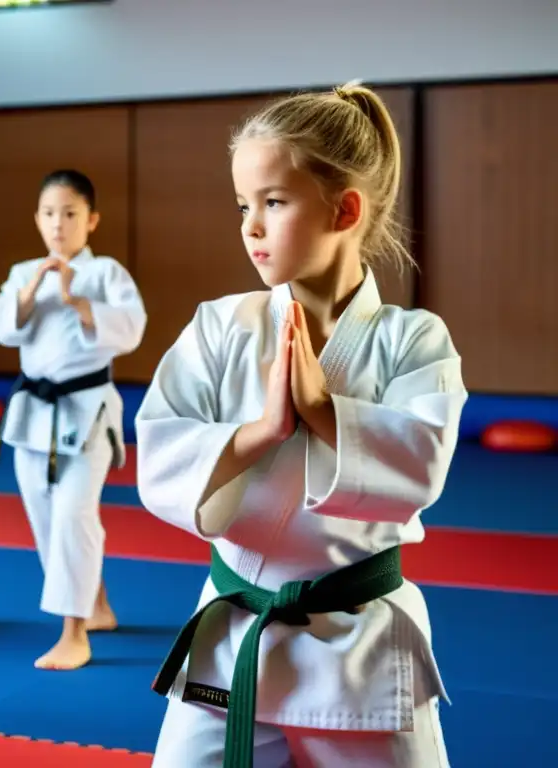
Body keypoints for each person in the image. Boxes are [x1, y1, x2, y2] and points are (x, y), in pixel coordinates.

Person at [135, 82, 466, 767]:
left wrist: (321, 410)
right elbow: (162, 446)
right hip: (233, 633)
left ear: (345, 209)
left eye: (273, 203)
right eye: (242, 206)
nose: (250, 226)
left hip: (358, 644)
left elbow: (421, 469)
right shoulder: (222, 327)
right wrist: (257, 431)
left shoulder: (414, 340)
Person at [0, 169, 147, 671]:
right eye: (50, 214)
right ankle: (95, 606)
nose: (59, 224)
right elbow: (0, 328)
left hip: (88, 409)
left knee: (74, 512)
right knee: (45, 518)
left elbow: (133, 330)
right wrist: (29, 296)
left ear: (91, 220)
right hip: (34, 413)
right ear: (37, 219)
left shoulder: (107, 274)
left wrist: (80, 300)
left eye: (70, 213)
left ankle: (73, 633)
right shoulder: (21, 274)